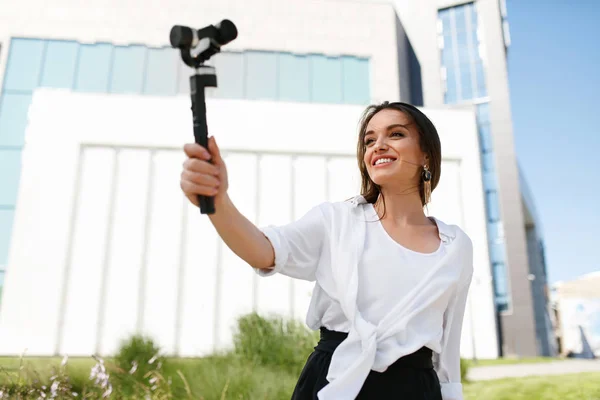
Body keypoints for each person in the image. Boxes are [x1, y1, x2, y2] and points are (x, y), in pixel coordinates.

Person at [180, 101, 473, 400]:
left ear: (426, 153)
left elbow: (448, 352)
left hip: (415, 390)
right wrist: (218, 202)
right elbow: (264, 250)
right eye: (369, 141)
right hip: (335, 382)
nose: (378, 146)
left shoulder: (455, 246)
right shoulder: (336, 221)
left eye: (395, 134)